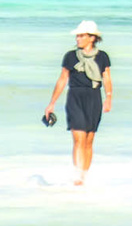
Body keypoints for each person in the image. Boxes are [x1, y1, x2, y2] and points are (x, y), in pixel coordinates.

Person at [45, 20, 113, 185]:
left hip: (94, 97)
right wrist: (52, 103)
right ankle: (77, 176)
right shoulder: (70, 56)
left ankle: (84, 175)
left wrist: (109, 97)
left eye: (81, 36)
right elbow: (62, 80)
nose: (78, 39)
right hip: (75, 97)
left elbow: (106, 77)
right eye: (77, 36)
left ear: (92, 38)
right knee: (78, 136)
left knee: (89, 139)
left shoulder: (102, 57)